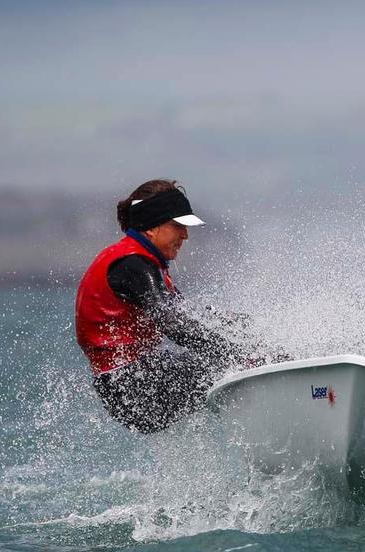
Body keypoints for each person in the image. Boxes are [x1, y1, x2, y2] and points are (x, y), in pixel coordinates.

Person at [75, 179, 275, 433]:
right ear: (151, 226)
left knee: (242, 358)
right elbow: (174, 325)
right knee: (238, 366)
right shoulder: (132, 265)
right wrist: (235, 354)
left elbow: (185, 313)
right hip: (132, 387)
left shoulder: (139, 261)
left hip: (132, 382)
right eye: (178, 225)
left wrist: (236, 325)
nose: (185, 235)